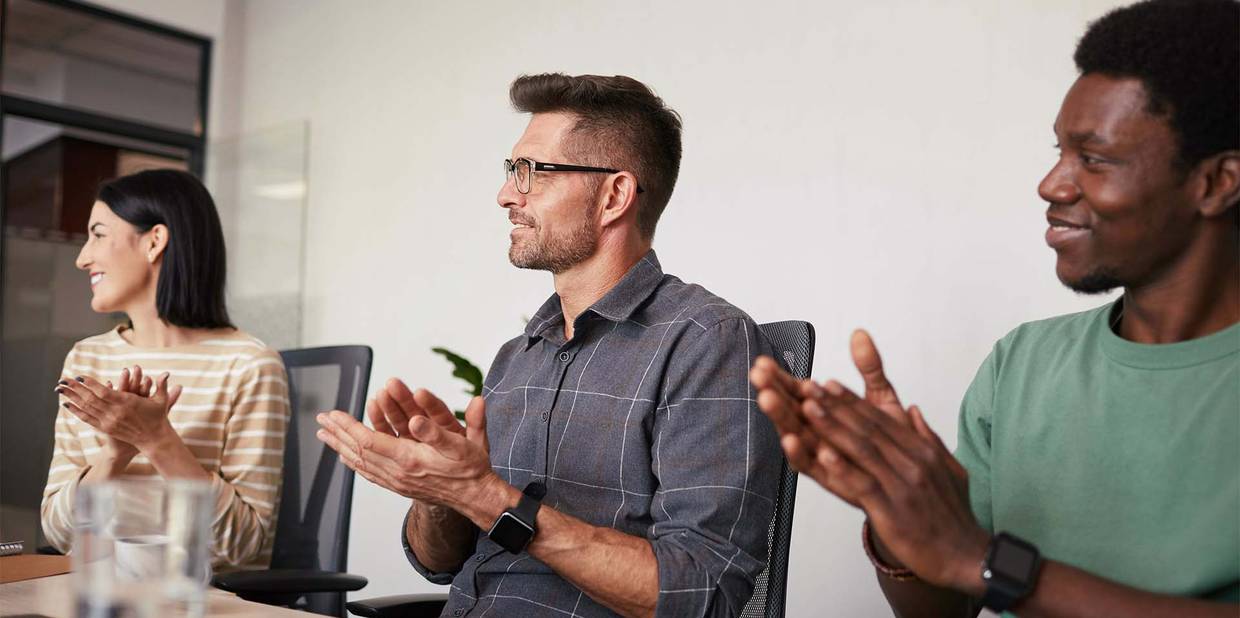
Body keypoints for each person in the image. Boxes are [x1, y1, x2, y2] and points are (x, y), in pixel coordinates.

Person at [750, 0, 1239, 615]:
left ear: (1217, 183)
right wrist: (902, 517)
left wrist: (981, 557)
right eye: (1059, 151)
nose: (1052, 184)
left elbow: (978, 568)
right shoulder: (1024, 362)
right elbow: (943, 609)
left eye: (1094, 158)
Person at [316, 73, 782, 617]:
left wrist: (486, 496)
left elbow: (704, 595)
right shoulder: (519, 355)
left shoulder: (707, 343)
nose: (506, 194)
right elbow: (438, 563)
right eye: (511, 170)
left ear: (613, 195)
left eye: (531, 172)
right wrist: (438, 490)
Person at [42, 169, 290, 572]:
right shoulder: (85, 360)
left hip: (196, 604)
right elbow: (59, 533)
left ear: (154, 241)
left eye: (99, 234)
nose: (82, 257)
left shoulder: (250, 365)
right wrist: (113, 455)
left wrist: (157, 440)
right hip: (94, 595)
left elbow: (244, 547)